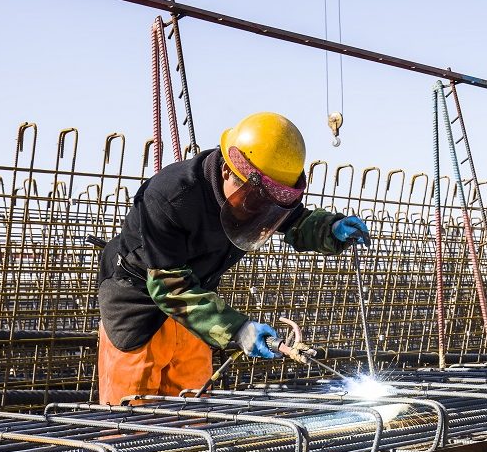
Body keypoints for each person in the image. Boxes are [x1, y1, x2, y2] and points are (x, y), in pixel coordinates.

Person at [95, 112, 369, 404]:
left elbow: (294, 221)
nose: (260, 213)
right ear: (228, 171)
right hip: (138, 308)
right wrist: (238, 329)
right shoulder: (169, 196)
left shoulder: (256, 199)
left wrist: (330, 228)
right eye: (256, 201)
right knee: (128, 420)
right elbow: (169, 285)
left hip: (197, 311)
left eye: (271, 206)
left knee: (192, 415)